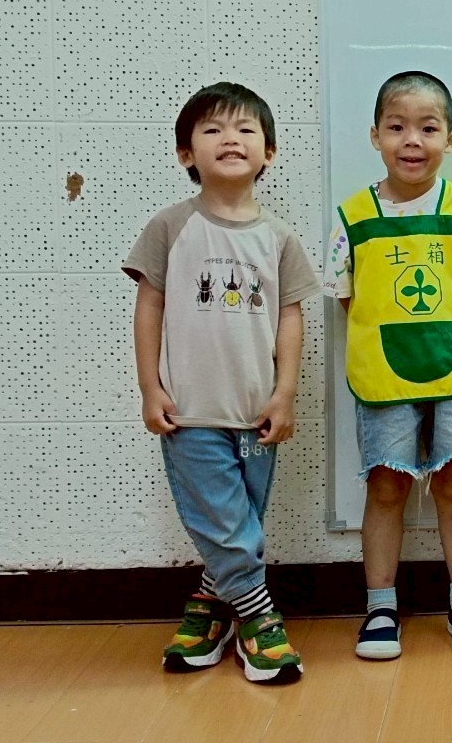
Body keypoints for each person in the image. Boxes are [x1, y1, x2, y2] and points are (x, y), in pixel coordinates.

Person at [124, 82, 318, 683]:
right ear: (187, 153)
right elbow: (148, 307)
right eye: (212, 130)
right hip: (191, 411)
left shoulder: (279, 238)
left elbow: (290, 317)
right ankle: (258, 619)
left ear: (269, 152)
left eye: (244, 129)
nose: (230, 139)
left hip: (256, 412)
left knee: (238, 522)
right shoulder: (171, 226)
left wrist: (284, 393)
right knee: (225, 521)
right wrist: (149, 387)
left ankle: (211, 604)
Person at [324, 71, 452, 659]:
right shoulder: (353, 217)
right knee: (387, 486)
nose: (412, 140)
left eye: (428, 128)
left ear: (450, 139)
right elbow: (350, 297)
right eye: (396, 127)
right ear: (374, 135)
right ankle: (381, 608)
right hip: (385, 375)